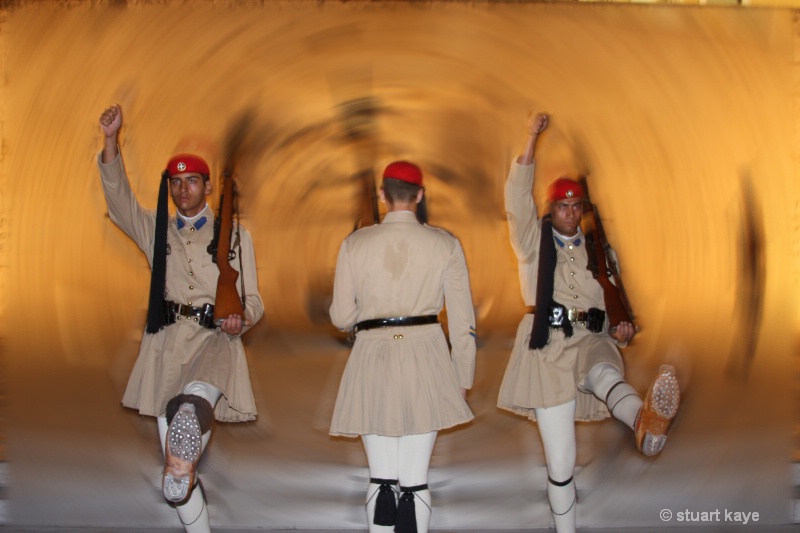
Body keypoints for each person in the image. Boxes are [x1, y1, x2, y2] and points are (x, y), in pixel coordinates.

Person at [497, 113, 680, 533]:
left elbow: (615, 300)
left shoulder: (597, 250)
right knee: (561, 462)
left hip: (590, 338)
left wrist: (623, 327)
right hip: (547, 346)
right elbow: (516, 197)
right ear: (551, 208)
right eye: (562, 206)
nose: (570, 213)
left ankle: (642, 421)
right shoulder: (533, 241)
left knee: (604, 371)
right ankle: (566, 528)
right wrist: (530, 139)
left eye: (576, 206)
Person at [98, 105, 264, 533]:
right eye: (176, 182)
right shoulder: (156, 230)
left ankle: (191, 414)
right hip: (167, 347)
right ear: (169, 188)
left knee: (189, 411)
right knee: (177, 474)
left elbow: (254, 301)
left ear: (208, 186)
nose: (184, 189)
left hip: (214, 345)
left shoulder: (234, 235)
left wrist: (239, 320)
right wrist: (111, 141)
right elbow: (119, 204)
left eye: (192, 181)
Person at [329, 161, 477, 533]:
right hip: (427, 356)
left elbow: (341, 317)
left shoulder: (354, 243)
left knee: (381, 479)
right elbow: (463, 322)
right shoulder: (445, 244)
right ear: (420, 195)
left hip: (372, 355)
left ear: (382, 195)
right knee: (416, 480)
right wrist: (463, 375)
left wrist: (371, 307)